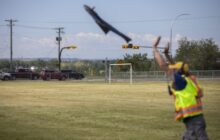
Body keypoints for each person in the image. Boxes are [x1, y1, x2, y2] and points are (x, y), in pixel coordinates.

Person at [152, 36, 209, 140]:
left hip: (193, 119)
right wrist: (166, 54)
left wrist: (154, 48)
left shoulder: (181, 82)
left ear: (178, 72)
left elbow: (163, 65)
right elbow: (175, 66)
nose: (172, 68)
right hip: (195, 118)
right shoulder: (189, 78)